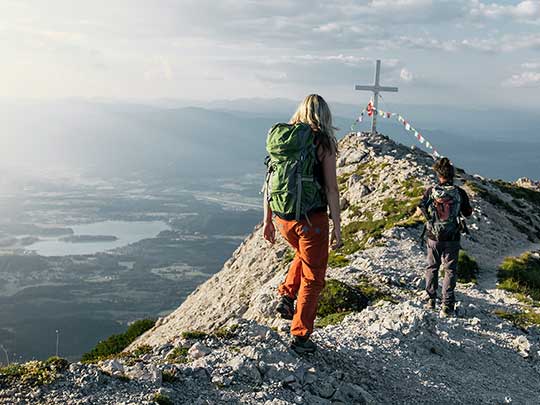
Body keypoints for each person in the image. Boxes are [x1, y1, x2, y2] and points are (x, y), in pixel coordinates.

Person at [262, 94, 342, 354]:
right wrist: (337, 227)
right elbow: (331, 189)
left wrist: (267, 221)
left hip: (284, 218)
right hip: (311, 220)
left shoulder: (285, 143)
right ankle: (300, 336)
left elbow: (268, 181)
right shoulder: (322, 142)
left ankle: (286, 297)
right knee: (314, 278)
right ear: (324, 115)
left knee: (302, 255)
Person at [416, 157, 473, 318]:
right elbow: (467, 213)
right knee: (450, 270)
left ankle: (430, 299)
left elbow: (421, 205)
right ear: (452, 174)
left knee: (432, 267)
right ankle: (447, 305)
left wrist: (429, 218)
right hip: (452, 237)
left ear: (438, 175)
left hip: (433, 236)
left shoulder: (431, 191)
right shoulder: (459, 192)